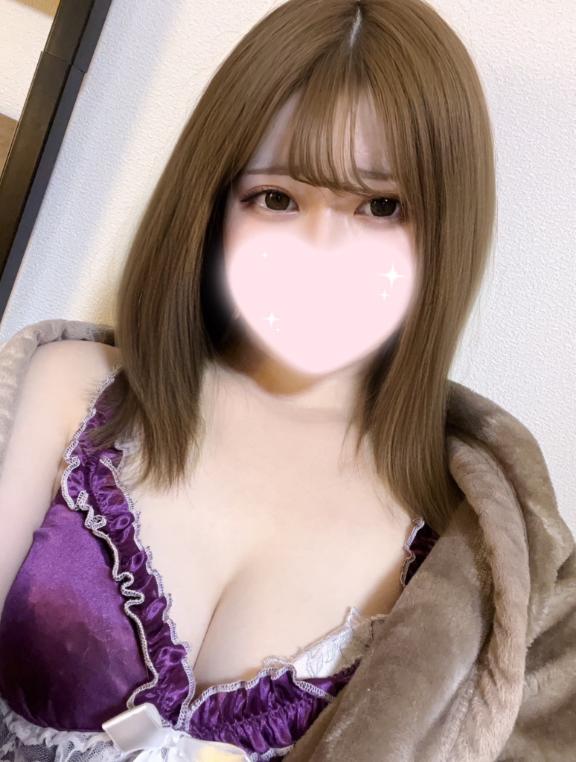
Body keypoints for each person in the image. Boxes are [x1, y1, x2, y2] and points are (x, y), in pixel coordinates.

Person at [0, 0, 574, 760]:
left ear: (447, 231)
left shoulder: (479, 557)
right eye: (277, 198)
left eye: (381, 207)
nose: (321, 253)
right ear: (213, 207)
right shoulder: (68, 391)